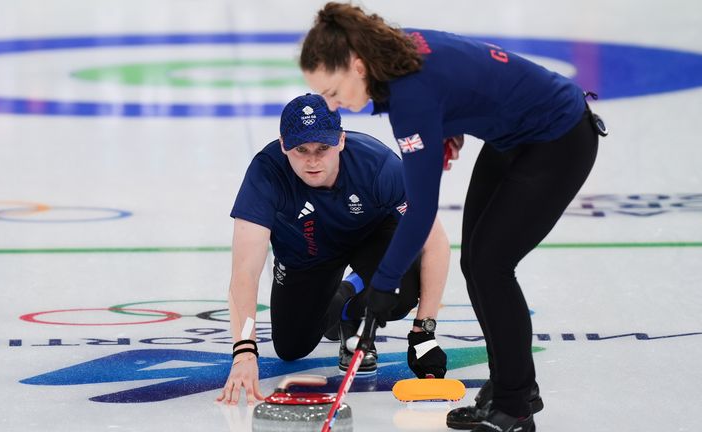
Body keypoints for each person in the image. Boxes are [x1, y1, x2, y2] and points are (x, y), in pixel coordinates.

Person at [299, 3, 605, 431]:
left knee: (491, 265)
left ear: (357, 65)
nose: (336, 106)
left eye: (333, 93)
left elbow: (421, 211)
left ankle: (515, 407)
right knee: (476, 261)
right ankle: (510, 385)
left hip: (559, 139)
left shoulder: (410, 99)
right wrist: (450, 120)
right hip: (513, 136)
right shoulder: (395, 51)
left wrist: (382, 287)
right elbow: (471, 72)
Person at [215, 93, 450, 405]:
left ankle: (352, 312)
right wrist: (244, 352)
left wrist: (424, 332)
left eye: (322, 148)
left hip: (372, 236)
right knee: (291, 347)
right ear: (284, 144)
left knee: (402, 292)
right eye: (301, 150)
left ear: (340, 140)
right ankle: (341, 296)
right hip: (307, 251)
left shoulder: (380, 166)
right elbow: (244, 271)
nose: (313, 160)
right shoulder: (266, 174)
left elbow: (436, 243)